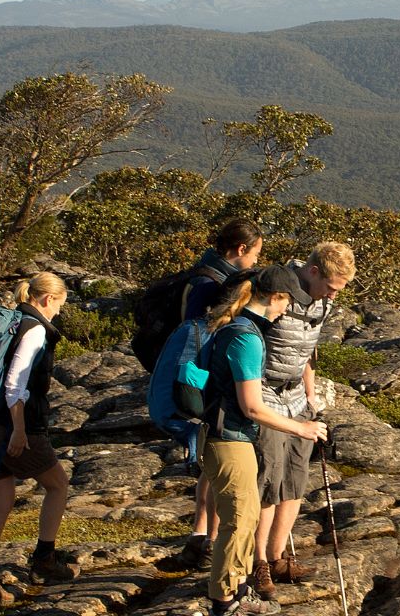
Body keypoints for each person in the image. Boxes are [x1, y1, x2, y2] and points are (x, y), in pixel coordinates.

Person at [201, 266, 328, 616]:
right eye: (286, 303)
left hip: (229, 436)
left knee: (245, 516)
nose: (287, 311)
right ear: (275, 298)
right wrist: (300, 428)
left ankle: (238, 592)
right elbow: (253, 407)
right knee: (239, 521)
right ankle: (226, 602)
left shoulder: (241, 327)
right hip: (230, 438)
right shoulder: (246, 337)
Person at [249, 242, 355, 597]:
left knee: (295, 479)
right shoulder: (276, 292)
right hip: (264, 394)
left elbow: (308, 352)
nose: (333, 295)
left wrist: (311, 397)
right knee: (268, 481)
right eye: (331, 287)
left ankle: (278, 556)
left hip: (298, 398)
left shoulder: (323, 302)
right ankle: (257, 562)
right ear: (313, 272)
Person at [0, 272, 77, 607]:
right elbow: (15, 383)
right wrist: (18, 429)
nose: (58, 313)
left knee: (0, 502)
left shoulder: (13, 322)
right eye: (59, 305)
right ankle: (44, 561)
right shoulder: (34, 330)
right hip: (14, 429)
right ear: (48, 299)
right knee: (58, 485)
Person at [176, 219, 264, 568]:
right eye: (255, 253)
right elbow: (204, 334)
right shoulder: (214, 285)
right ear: (240, 249)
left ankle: (200, 536)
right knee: (215, 466)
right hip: (208, 385)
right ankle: (208, 540)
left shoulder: (201, 271)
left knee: (207, 467)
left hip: (195, 380)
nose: (256, 261)